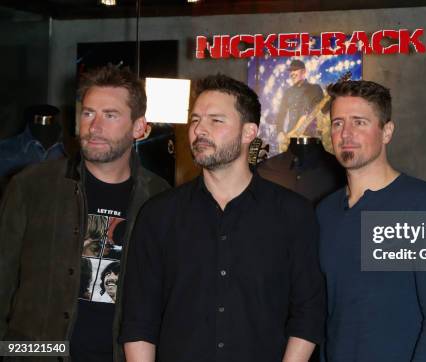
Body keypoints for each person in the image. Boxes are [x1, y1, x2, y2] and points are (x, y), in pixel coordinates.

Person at [120, 74, 325, 362]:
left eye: (216, 121)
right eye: (195, 120)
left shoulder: (292, 213)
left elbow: (308, 311)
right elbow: (139, 318)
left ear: (248, 132)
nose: (199, 130)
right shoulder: (159, 214)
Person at [0, 65, 169, 362]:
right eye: (89, 113)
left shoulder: (159, 197)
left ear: (140, 127)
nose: (95, 127)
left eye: (110, 115)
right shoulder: (31, 185)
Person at [317, 80, 426, 361]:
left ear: (387, 131)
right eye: (337, 123)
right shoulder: (325, 212)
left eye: (359, 122)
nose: (346, 133)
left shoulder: (423, 206)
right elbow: (328, 314)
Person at [275, 60, 324, 138]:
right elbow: (281, 115)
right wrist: (280, 132)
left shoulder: (315, 88)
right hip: (290, 137)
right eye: (290, 71)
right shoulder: (287, 93)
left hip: (310, 137)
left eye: (295, 70)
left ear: (304, 71)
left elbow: (322, 112)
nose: (292, 73)